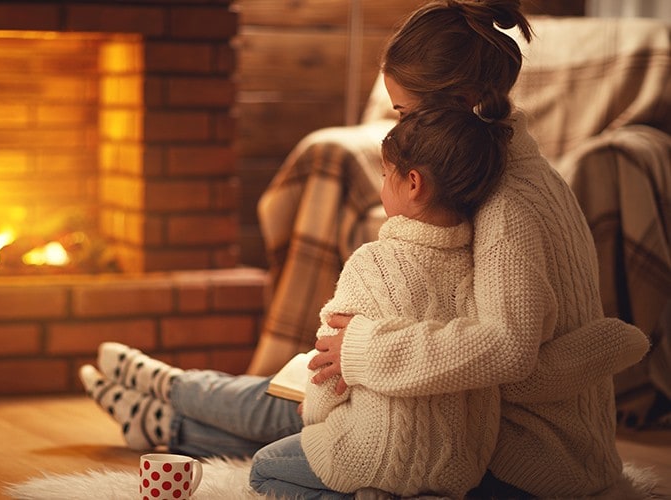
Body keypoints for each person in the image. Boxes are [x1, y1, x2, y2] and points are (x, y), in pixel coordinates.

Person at [78, 0, 650, 497]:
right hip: (484, 412)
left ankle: (170, 407)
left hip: (530, 455)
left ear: (465, 100)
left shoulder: (508, 204)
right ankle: (167, 405)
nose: (400, 128)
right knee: (313, 392)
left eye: (405, 112)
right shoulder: (514, 171)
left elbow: (509, 348)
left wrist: (366, 352)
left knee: (308, 409)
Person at [248, 103, 512, 499]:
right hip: (461, 466)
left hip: (376, 453)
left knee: (264, 471)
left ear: (413, 183)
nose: (381, 185)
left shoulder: (373, 263)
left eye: (385, 175)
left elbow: (327, 367)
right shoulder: (482, 267)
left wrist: (316, 415)